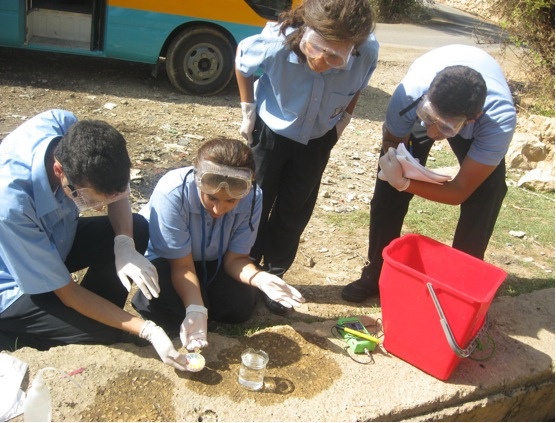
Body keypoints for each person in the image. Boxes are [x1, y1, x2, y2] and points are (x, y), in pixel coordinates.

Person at [0, 109, 191, 371]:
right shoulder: (11, 206)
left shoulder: (65, 126)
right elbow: (67, 292)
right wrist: (146, 329)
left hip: (58, 236)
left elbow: (115, 191)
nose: (99, 208)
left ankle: (97, 313)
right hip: (13, 277)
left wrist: (124, 243)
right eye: (89, 200)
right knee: (104, 335)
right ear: (59, 171)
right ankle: (12, 331)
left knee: (135, 226)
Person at [342, 44, 517, 302]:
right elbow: (393, 142)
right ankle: (376, 273)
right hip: (431, 102)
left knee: (487, 193)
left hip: (475, 121)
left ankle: (461, 282)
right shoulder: (411, 92)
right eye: (429, 118)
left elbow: (459, 191)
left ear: (473, 117)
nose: (433, 134)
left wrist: (405, 183)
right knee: (388, 182)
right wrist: (396, 168)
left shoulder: (498, 121)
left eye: (444, 128)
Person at [235, 0, 379, 314]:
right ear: (307, 33)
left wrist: (343, 121)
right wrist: (248, 112)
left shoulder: (365, 51)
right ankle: (246, 270)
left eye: (335, 56)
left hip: (318, 137)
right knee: (255, 202)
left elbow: (358, 85)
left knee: (294, 209)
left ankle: (275, 275)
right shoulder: (276, 40)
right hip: (270, 134)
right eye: (317, 49)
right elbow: (242, 64)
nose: (323, 61)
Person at [131, 138, 305, 350]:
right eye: (211, 198)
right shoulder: (172, 191)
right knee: (177, 312)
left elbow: (236, 259)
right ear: (198, 182)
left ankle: (200, 298)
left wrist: (259, 278)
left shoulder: (253, 196)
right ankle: (156, 300)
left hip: (213, 259)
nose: (218, 210)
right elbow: (182, 266)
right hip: (171, 261)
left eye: (231, 201)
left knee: (238, 309)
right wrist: (196, 308)